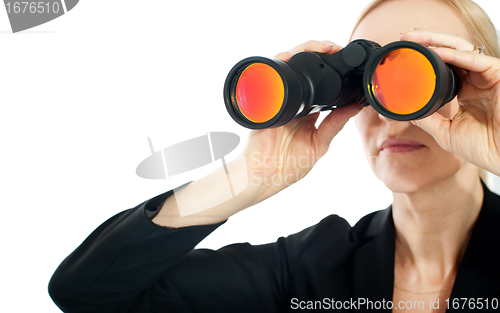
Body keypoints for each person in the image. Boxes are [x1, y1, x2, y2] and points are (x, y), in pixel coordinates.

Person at [49, 0, 500, 312]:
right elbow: (88, 295)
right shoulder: (313, 270)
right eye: (371, 88)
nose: (395, 118)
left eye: (419, 79)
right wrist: (247, 177)